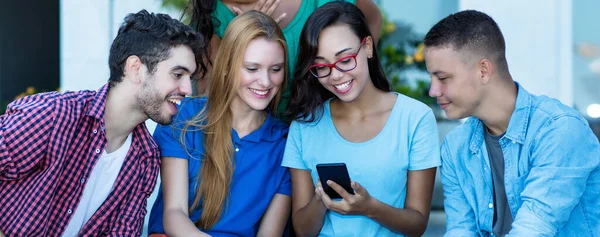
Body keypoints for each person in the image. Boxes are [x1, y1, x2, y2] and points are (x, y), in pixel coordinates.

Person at [0, 10, 206, 236]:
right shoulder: (53, 114)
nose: (187, 89)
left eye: (190, 78)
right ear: (135, 68)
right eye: (178, 74)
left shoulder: (145, 159)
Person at [424, 10, 600, 236]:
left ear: (483, 71)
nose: (433, 90)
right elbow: (461, 230)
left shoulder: (559, 130)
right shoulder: (455, 146)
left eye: (443, 78)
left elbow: (533, 229)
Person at [282, 2, 441, 236]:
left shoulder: (415, 118)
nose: (335, 75)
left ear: (367, 47)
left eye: (345, 60)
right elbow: (303, 230)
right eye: (322, 66)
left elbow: (417, 224)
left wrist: (370, 208)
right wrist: (321, 198)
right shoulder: (305, 125)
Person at [147, 10, 291, 237]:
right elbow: (174, 214)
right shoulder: (184, 116)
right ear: (227, 66)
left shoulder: (285, 142)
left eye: (276, 69)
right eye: (252, 68)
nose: (265, 81)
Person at [187, 0, 382, 116]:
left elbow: (371, 19)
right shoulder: (212, 12)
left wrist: (352, 75)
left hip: (329, 119)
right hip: (264, 136)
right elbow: (211, 96)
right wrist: (250, 32)